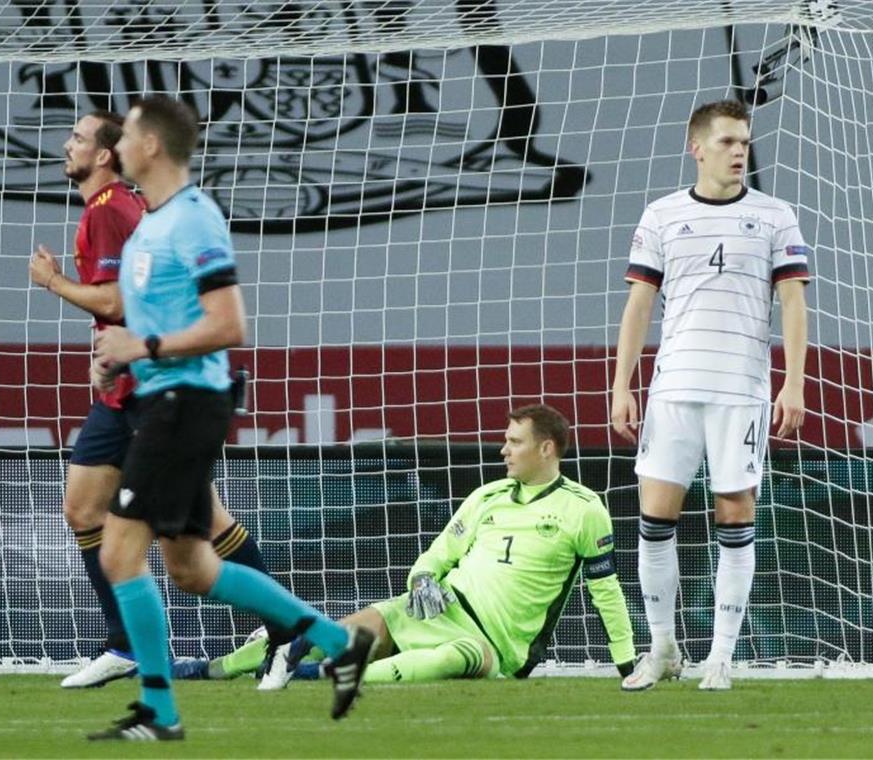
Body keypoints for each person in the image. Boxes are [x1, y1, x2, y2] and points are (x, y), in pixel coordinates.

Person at [85, 95, 375, 740]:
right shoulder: (149, 224)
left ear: (151, 145)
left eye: (125, 133)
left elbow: (229, 324)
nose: (116, 142)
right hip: (157, 399)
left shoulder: (193, 220)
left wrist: (144, 348)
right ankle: (338, 641)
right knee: (192, 569)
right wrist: (117, 359)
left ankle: (160, 712)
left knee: (119, 554)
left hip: (185, 405)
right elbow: (156, 319)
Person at [29, 111, 286, 689]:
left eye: (77, 137)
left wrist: (54, 285)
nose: (65, 145)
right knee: (82, 508)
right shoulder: (112, 210)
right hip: (125, 389)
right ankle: (125, 644)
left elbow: (119, 304)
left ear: (104, 154)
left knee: (195, 543)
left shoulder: (117, 211)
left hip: (156, 391)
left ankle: (289, 633)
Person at [183, 404, 637, 689]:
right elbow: (439, 553)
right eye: (505, 440)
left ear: (547, 449)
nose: (503, 450)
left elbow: (606, 590)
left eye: (514, 442)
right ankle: (211, 669)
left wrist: (625, 662)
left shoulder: (585, 510)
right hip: (438, 609)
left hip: (492, 646)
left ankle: (307, 677)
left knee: (443, 662)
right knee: (322, 635)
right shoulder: (488, 496)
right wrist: (421, 577)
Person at [609, 99, 810, 691]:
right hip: (673, 389)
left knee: (735, 516)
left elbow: (794, 303)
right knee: (653, 520)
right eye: (726, 141)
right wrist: (622, 385)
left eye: (743, 141)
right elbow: (638, 306)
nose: (739, 151)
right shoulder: (663, 215)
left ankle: (721, 656)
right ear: (696, 147)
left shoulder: (776, 216)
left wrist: (793, 383)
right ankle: (663, 647)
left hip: (741, 392)